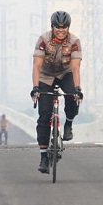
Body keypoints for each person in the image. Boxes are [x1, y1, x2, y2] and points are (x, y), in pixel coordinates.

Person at [30, 10, 83, 174]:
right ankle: (44, 156)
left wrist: (77, 89)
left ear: (68, 27)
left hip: (65, 73)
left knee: (72, 98)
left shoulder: (74, 41)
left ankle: (68, 123)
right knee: (44, 116)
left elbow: (75, 67)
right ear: (52, 27)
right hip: (46, 75)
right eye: (57, 27)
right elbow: (37, 66)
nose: (61, 30)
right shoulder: (43, 40)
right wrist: (35, 88)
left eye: (64, 27)